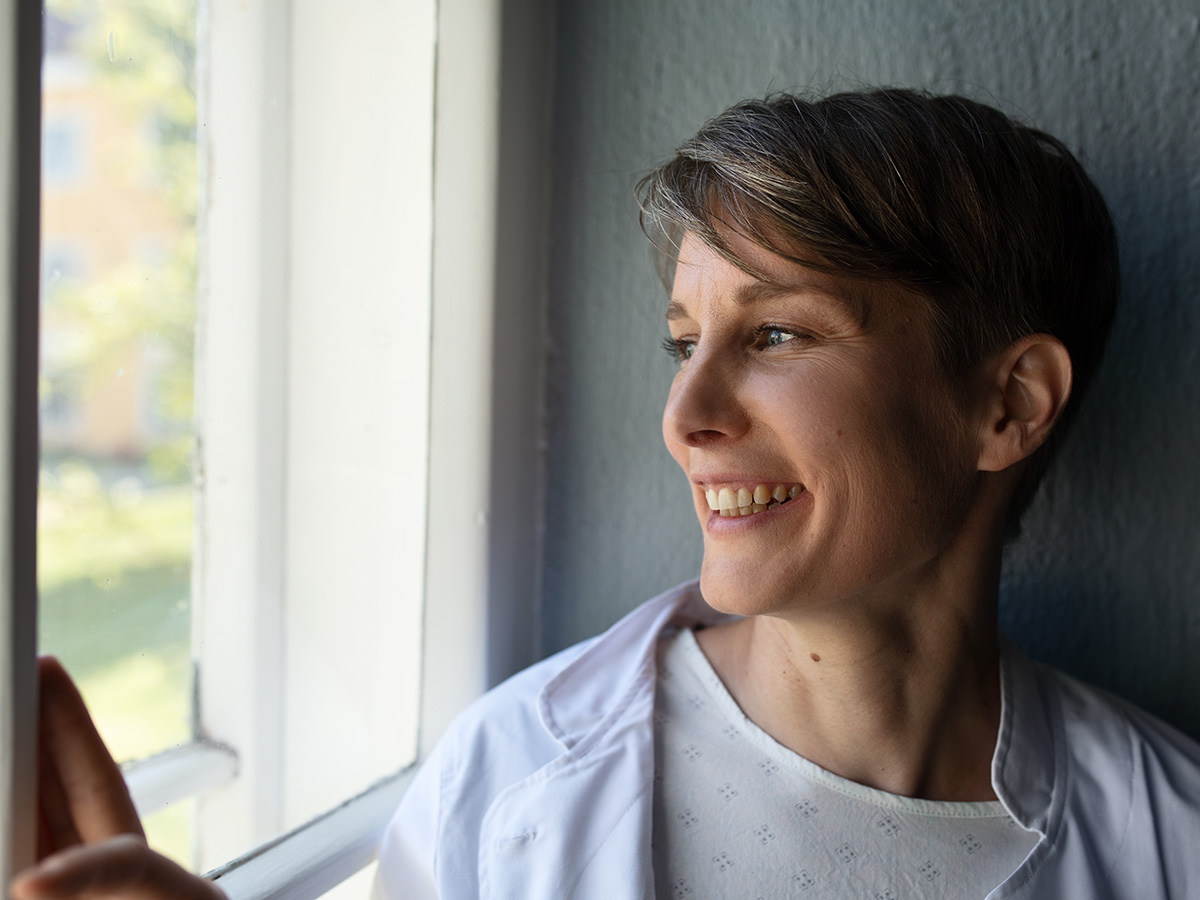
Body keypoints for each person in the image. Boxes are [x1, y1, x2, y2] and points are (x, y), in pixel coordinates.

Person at [12, 88, 1200, 900]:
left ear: (1008, 405)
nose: (686, 418)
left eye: (777, 332)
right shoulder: (509, 778)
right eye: (683, 340)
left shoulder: (1175, 839)